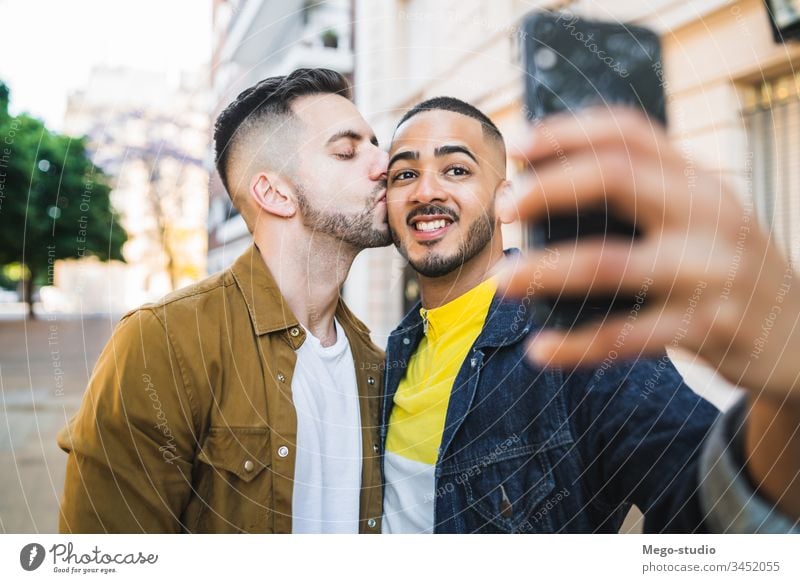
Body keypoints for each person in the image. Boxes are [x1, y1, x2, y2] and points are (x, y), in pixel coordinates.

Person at [381, 96, 800, 533]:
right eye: (404, 175)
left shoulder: (579, 339)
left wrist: (788, 396)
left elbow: (708, 505)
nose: (425, 191)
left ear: (505, 200)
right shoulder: (391, 353)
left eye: (456, 170)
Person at [57, 68, 389, 533]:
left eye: (377, 144)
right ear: (275, 193)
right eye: (347, 151)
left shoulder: (376, 364)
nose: (384, 164)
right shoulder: (162, 344)